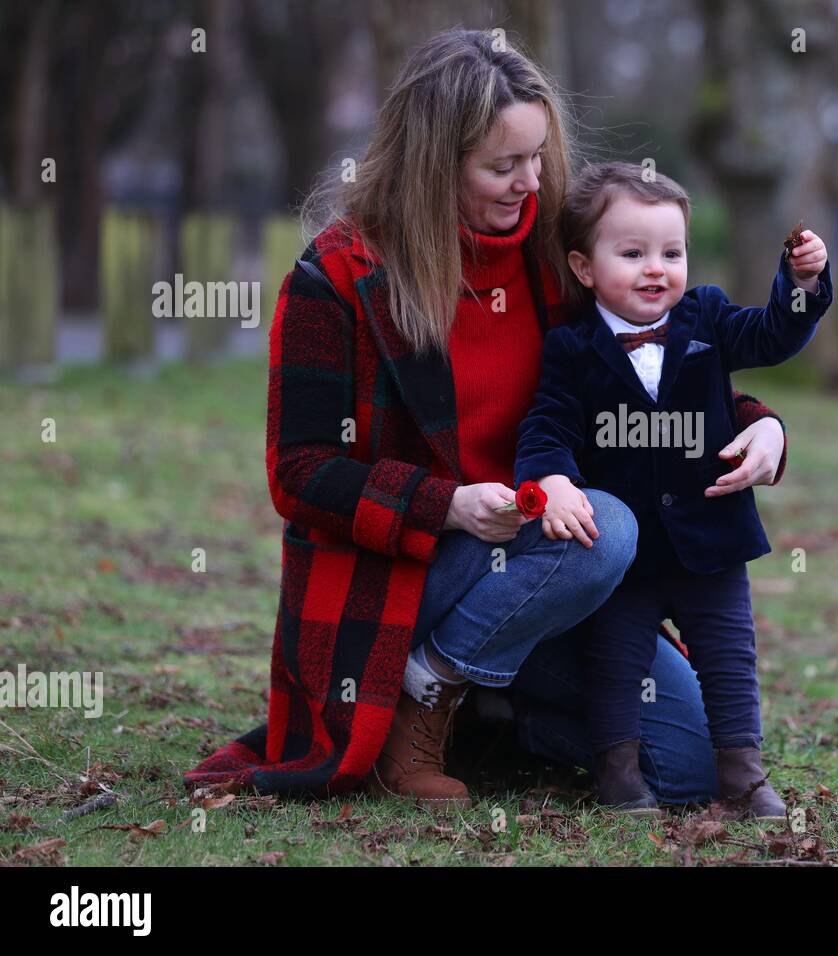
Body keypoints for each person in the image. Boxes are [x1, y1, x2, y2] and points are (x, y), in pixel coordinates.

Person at [183, 29, 794, 807]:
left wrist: (764, 422)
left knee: (695, 767)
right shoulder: (338, 280)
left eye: (537, 158)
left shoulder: (557, 261)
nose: (530, 184)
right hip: (411, 576)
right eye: (503, 167)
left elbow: (659, 372)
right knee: (608, 529)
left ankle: (487, 710)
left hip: (553, 574)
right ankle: (418, 694)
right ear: (434, 165)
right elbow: (301, 474)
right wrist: (450, 506)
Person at [514, 163, 832, 818]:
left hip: (711, 538)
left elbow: (772, 335)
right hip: (623, 554)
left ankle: (744, 774)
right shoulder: (572, 349)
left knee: (728, 659)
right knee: (615, 665)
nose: (655, 268)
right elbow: (547, 426)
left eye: (671, 252)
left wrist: (801, 284)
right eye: (632, 254)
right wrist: (552, 482)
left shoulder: (706, 318)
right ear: (583, 267)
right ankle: (619, 773)